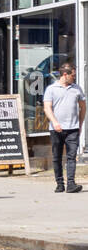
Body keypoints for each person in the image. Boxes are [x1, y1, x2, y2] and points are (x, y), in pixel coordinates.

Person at [43, 63, 85, 193]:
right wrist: (55, 122)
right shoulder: (51, 89)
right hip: (56, 128)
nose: (74, 78)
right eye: (72, 75)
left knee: (71, 156)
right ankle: (59, 183)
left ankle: (71, 184)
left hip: (72, 128)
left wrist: (80, 124)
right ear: (65, 75)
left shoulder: (76, 89)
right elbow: (47, 108)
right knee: (57, 156)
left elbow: (83, 107)